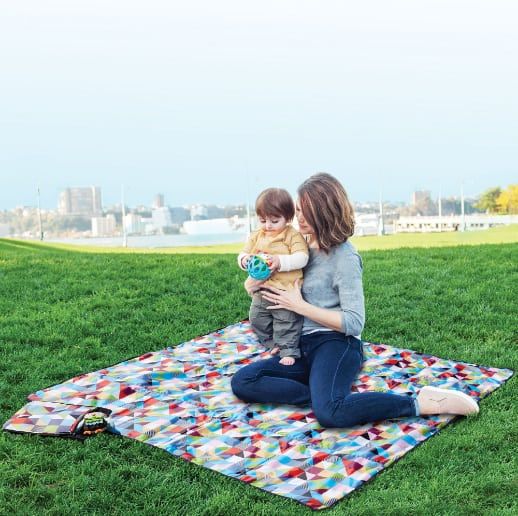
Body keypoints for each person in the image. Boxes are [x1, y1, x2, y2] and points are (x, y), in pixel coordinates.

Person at [231, 173, 479, 428]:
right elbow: (265, 286)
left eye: (308, 212)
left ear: (325, 212)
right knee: (243, 382)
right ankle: (317, 393)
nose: (300, 218)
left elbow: (354, 322)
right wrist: (254, 282)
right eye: (297, 210)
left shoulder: (344, 257)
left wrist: (299, 306)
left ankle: (421, 402)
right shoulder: (294, 246)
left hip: (336, 342)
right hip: (298, 343)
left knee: (331, 413)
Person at [238, 188, 309, 366]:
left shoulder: (292, 235)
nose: (268, 225)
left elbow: (302, 257)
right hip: (262, 289)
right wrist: (245, 260)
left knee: (286, 321)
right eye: (263, 220)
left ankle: (289, 351)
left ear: (288, 218)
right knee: (256, 318)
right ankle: (272, 343)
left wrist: (279, 262)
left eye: (274, 220)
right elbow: (242, 254)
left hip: (285, 291)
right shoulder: (257, 235)